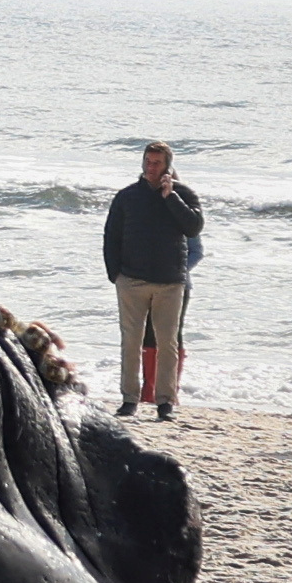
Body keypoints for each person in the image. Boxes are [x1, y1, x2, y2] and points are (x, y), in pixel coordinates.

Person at [99, 143, 202, 420]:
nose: (150, 167)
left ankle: (165, 403)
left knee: (167, 343)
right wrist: (115, 274)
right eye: (147, 161)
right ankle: (129, 399)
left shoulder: (184, 194)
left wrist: (171, 197)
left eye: (156, 163)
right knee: (130, 341)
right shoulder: (127, 196)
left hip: (170, 282)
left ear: (167, 166)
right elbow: (111, 236)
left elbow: (194, 228)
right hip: (131, 280)